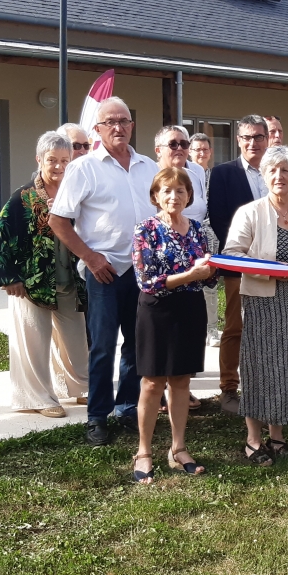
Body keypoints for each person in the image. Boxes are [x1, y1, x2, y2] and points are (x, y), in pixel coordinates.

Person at [50, 96, 159, 445]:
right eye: (109, 122)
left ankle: (127, 408)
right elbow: (58, 220)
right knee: (102, 347)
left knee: (136, 345)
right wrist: (91, 258)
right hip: (105, 273)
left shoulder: (149, 166)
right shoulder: (84, 168)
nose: (117, 127)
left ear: (132, 125)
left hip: (142, 272)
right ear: (97, 130)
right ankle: (97, 417)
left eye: (123, 121)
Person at [225, 146, 288, 465]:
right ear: (264, 176)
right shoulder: (250, 212)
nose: (280, 176)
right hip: (263, 303)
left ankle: (277, 438)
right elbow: (232, 254)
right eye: (273, 171)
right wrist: (269, 268)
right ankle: (253, 440)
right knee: (260, 368)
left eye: (286, 171)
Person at [0, 132, 88, 418]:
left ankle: (82, 388)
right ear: (39, 160)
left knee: (76, 337)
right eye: (52, 160)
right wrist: (8, 277)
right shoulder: (23, 197)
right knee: (33, 340)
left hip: (70, 281)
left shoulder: (77, 194)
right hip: (30, 284)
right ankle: (38, 397)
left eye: (65, 160)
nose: (59, 166)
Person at [130, 167, 216, 483]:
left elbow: (209, 275)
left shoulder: (197, 230)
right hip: (157, 311)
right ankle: (143, 452)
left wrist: (214, 269)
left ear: (189, 196)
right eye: (166, 190)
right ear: (155, 196)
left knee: (181, 381)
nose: (173, 196)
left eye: (180, 191)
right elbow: (147, 281)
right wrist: (190, 275)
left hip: (190, 310)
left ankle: (178, 449)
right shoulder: (145, 230)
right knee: (153, 382)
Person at [207, 114, 269, 413]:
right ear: (238, 140)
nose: (253, 142)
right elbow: (220, 220)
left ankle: (264, 385)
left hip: (276, 267)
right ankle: (229, 389)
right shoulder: (222, 173)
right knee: (235, 328)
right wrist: (248, 254)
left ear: (267, 139)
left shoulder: (277, 172)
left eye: (259, 136)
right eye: (247, 137)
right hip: (239, 264)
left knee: (269, 327)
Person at [154, 126, 207, 411]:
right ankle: (156, 394)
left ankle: (179, 391)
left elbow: (201, 218)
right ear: (159, 149)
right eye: (172, 143)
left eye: (184, 143)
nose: (179, 148)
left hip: (192, 280)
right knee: (155, 352)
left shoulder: (197, 173)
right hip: (160, 279)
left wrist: (210, 262)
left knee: (184, 350)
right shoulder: (148, 173)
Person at [190, 133, 221, 347]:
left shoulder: (215, 175)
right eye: (197, 149)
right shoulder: (185, 175)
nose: (201, 153)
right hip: (187, 235)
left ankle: (211, 329)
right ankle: (194, 329)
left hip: (211, 235)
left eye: (205, 149)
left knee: (210, 284)